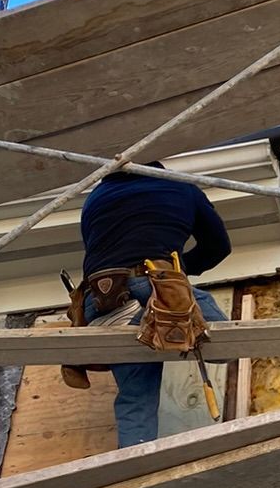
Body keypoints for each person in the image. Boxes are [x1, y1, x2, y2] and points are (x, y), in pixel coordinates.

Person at [71, 164, 232, 449]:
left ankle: (134, 463)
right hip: (155, 288)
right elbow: (218, 247)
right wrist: (178, 272)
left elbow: (106, 250)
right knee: (227, 345)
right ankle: (145, 313)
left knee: (135, 399)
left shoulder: (94, 198)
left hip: (98, 299)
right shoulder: (180, 186)